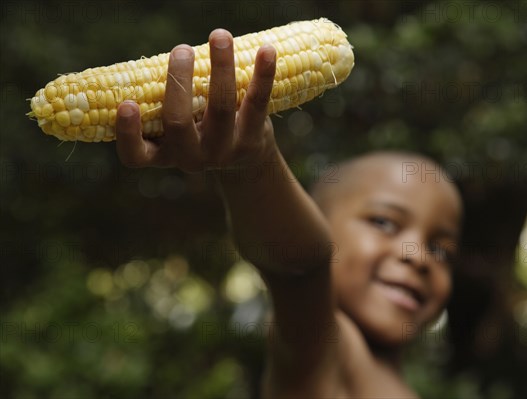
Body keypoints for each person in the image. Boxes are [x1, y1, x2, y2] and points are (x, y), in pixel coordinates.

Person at [116, 28, 462, 399]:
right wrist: (252, 161)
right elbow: (299, 267)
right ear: (314, 220)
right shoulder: (323, 348)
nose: (419, 258)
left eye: (441, 250)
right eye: (384, 222)